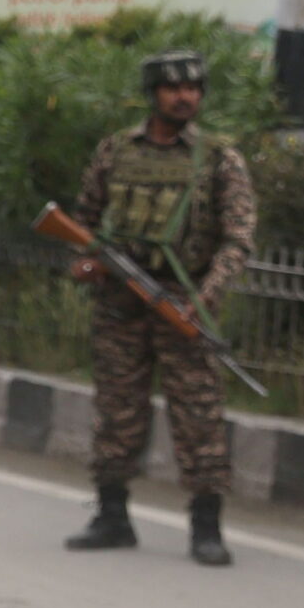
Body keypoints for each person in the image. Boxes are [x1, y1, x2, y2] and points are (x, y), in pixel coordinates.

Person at [63, 47, 256, 566]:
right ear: (153, 95)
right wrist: (86, 263)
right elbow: (85, 221)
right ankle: (111, 517)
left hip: (182, 304)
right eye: (173, 88)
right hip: (119, 303)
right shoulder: (115, 151)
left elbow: (238, 240)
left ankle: (206, 527)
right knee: (116, 413)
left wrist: (206, 296)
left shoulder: (218, 159)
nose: (184, 97)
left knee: (199, 419)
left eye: (193, 88)